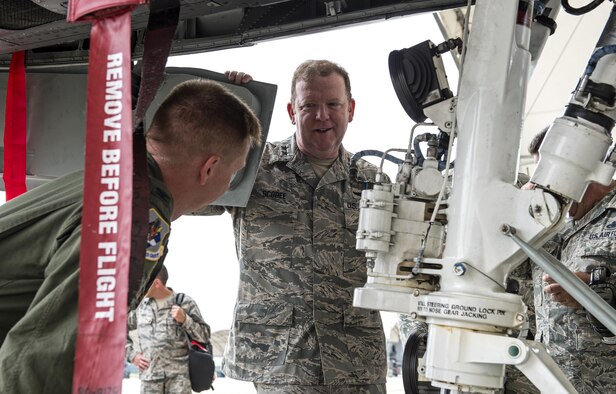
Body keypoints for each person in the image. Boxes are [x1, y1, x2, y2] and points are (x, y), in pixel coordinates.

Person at [0, 79, 262, 393]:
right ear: (209, 168)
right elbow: (43, 359)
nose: (228, 186)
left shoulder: (112, 181)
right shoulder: (134, 217)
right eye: (233, 173)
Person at [219, 61, 388, 393]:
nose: (322, 115)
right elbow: (190, 193)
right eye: (309, 105)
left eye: (333, 104)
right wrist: (226, 109)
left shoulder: (374, 182)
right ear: (291, 111)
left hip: (354, 357)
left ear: (350, 109)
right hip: (280, 357)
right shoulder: (253, 166)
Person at [525, 126, 616, 391]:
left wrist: (595, 291)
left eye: (548, 172)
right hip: (554, 383)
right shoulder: (551, 223)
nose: (544, 182)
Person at [126, 265, 210, 394]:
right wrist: (132, 355)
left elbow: (205, 336)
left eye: (144, 281)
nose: (141, 285)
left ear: (156, 283)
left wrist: (185, 320)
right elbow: (118, 330)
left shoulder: (184, 303)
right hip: (150, 379)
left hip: (179, 381)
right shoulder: (140, 307)